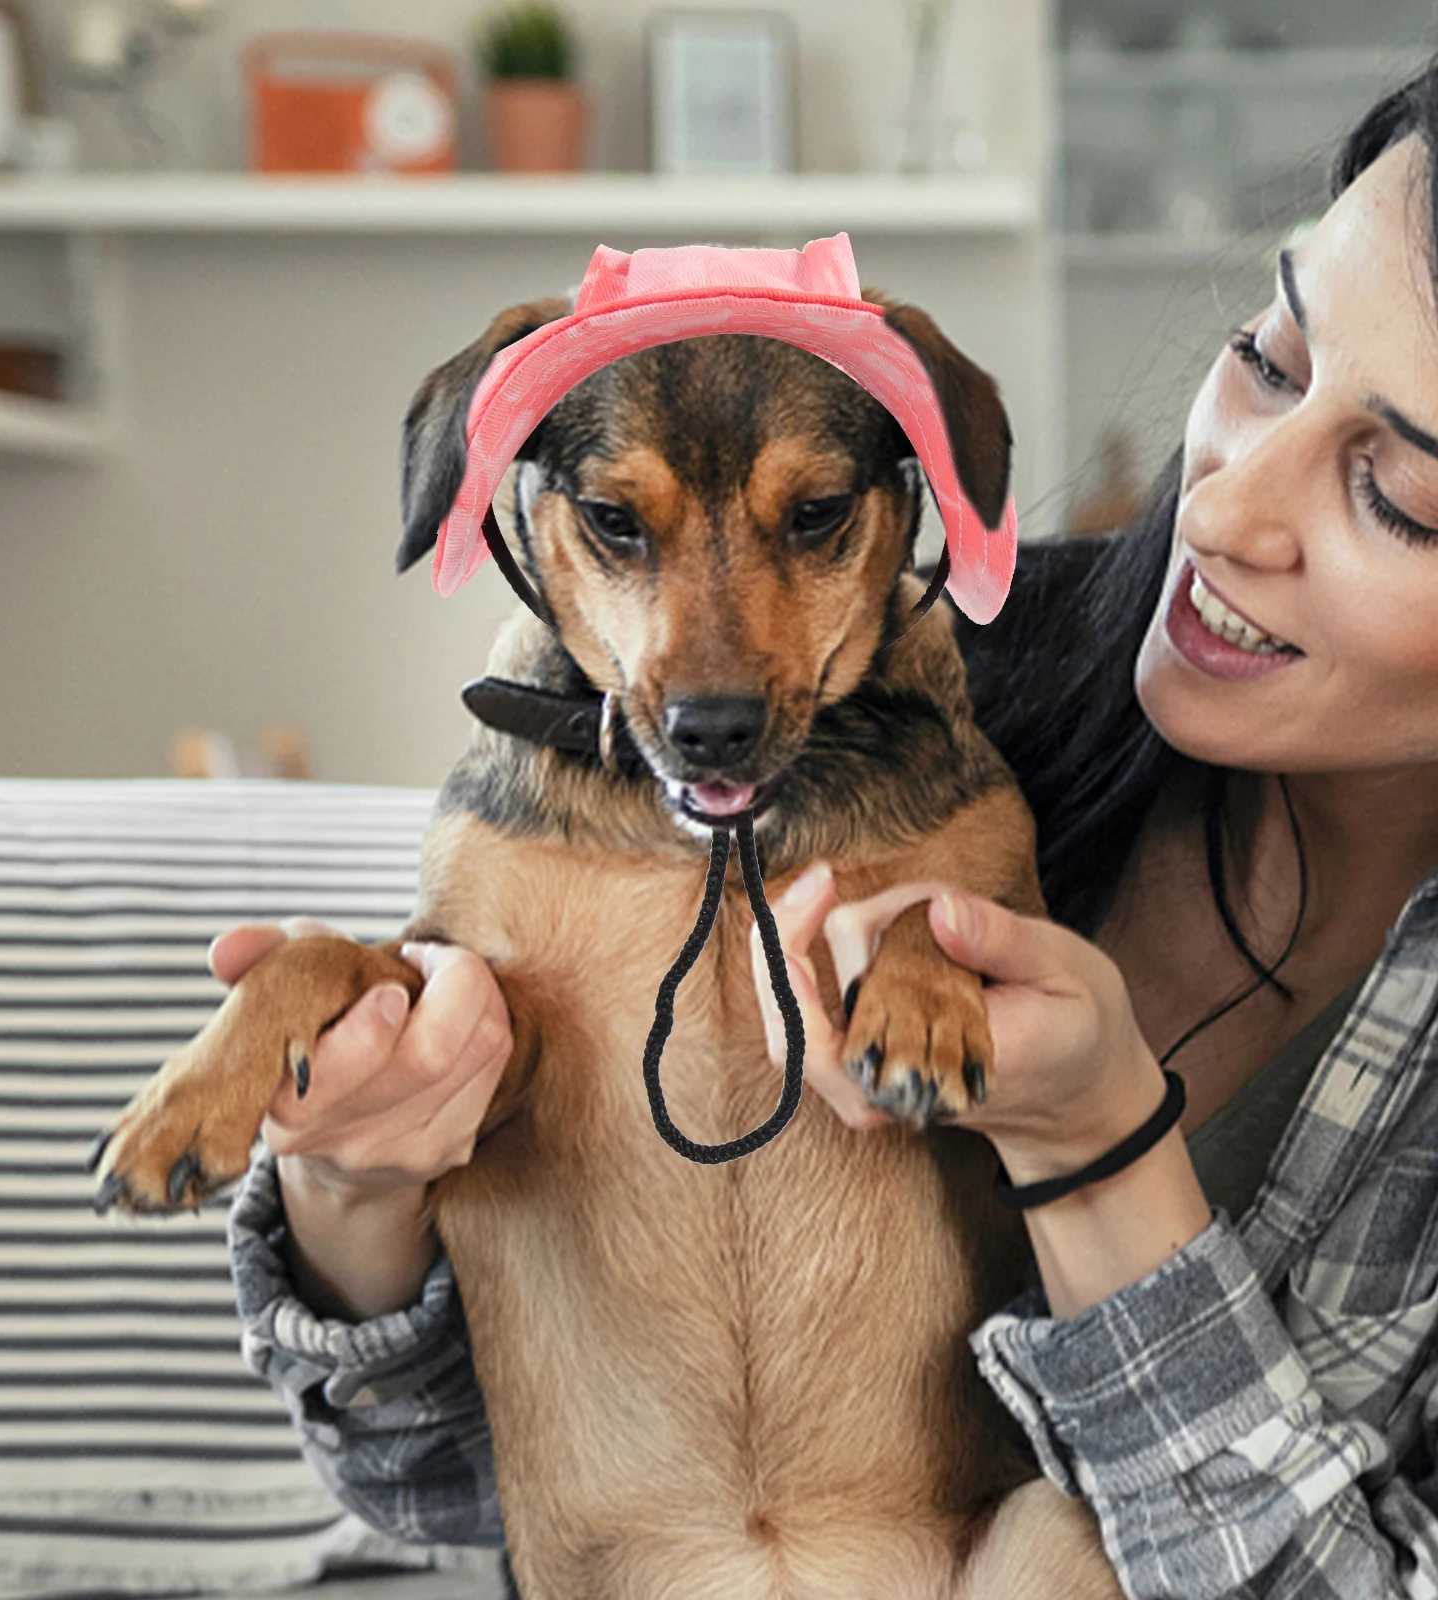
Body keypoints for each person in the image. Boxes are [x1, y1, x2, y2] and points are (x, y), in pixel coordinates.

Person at [223, 64, 1438, 1598]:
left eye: (1396, 492)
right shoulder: (915, 697)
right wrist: (358, 1191)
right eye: (1268, 358)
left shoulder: (941, 813)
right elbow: (444, 1474)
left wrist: (1092, 1154)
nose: (1223, 508)